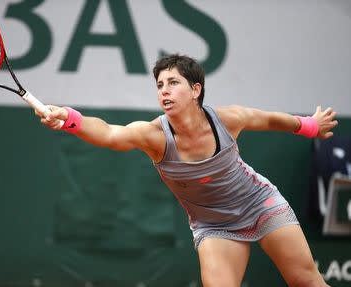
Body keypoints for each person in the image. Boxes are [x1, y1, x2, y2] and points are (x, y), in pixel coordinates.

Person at [35, 54, 337, 287]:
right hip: (213, 224)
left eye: (173, 83)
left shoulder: (228, 119)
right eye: (159, 85)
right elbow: (109, 134)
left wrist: (310, 126)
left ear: (196, 90)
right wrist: (69, 119)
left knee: (304, 281)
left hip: (260, 204)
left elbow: (271, 120)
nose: (164, 90)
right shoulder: (153, 135)